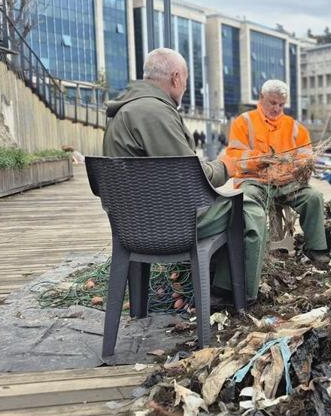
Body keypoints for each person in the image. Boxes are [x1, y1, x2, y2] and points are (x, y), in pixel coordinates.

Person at [102, 48, 238, 305]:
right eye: (186, 80)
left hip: (132, 224)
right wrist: (226, 166)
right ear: (176, 78)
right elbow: (190, 178)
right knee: (246, 206)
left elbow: (175, 170)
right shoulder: (155, 113)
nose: (185, 86)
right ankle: (230, 294)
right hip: (166, 227)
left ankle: (208, 286)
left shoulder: (125, 108)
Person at [220, 80, 329, 300]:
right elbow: (234, 158)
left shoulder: (295, 127)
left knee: (314, 197)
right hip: (254, 181)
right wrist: (258, 161)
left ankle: (317, 250)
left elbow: (305, 156)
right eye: (272, 103)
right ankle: (248, 269)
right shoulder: (244, 122)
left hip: (286, 183)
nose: (276, 108)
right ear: (261, 98)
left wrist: (300, 166)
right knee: (248, 205)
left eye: (281, 104)